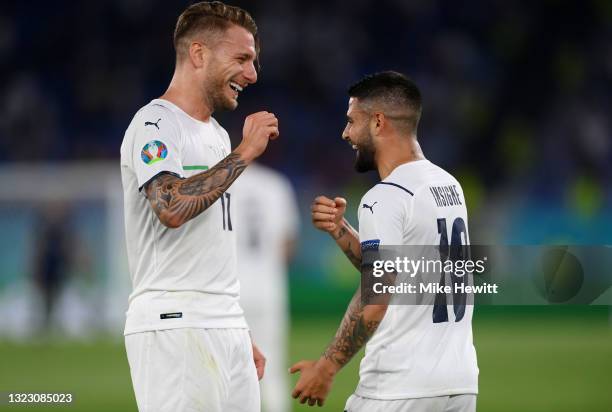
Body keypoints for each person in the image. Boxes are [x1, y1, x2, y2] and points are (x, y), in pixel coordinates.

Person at [119, 2, 279, 411]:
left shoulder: (217, 136)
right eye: (242, 58)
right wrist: (245, 153)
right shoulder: (155, 125)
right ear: (198, 54)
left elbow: (210, 244)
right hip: (173, 322)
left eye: (254, 61)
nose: (252, 74)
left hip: (222, 321)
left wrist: (235, 324)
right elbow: (169, 206)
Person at [290, 71, 478, 411]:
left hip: (397, 387)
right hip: (459, 386)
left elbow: (376, 295)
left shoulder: (385, 196)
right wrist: (341, 231)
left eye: (351, 121)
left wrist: (327, 366)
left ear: (378, 122)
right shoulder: (449, 185)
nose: (345, 133)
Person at [233, 163, 300, 412]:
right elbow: (288, 244)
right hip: (268, 287)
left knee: (231, 368)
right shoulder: (275, 184)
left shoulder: (221, 184)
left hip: (230, 288)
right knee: (272, 362)